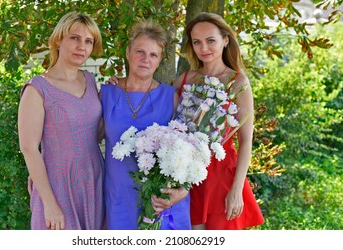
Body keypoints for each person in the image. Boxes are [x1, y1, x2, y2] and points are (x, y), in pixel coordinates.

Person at [173, 12, 264, 230]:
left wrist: (236, 189)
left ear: (225, 40)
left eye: (210, 40)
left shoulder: (238, 82)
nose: (203, 48)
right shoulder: (185, 80)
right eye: (197, 42)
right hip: (188, 176)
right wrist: (120, 84)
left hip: (223, 178)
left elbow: (245, 141)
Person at [18, 12, 105, 230]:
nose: (81, 46)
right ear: (58, 40)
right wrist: (49, 203)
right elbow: (28, 148)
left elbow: (92, 132)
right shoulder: (37, 88)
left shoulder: (90, 79)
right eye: (74, 38)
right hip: (57, 185)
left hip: (93, 179)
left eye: (88, 41)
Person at [100, 19, 191, 230]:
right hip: (119, 198)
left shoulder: (171, 98)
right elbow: (86, 139)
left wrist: (181, 192)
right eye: (140, 51)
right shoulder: (106, 93)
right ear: (128, 52)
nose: (145, 60)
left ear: (159, 61)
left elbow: (186, 153)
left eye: (153, 55)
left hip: (160, 202)